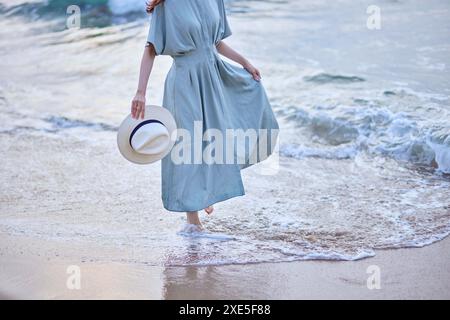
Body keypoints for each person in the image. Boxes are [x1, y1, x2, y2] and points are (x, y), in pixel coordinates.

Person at [131, 0, 279, 230]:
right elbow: (150, 49)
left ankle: (204, 191)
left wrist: (245, 63)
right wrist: (140, 92)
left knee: (215, 138)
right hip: (185, 82)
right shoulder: (166, 5)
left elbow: (216, 43)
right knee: (189, 147)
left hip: (213, 74)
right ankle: (193, 220)